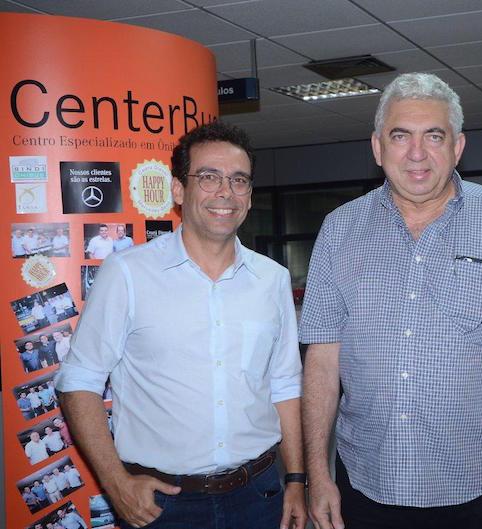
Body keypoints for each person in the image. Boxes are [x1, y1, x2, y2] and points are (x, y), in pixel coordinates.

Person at [300, 72, 482, 529]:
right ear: (377, 147)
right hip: (366, 481)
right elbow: (322, 361)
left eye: (433, 136)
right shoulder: (339, 230)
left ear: (457, 147)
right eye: (400, 136)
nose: (416, 153)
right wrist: (317, 475)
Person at [56, 120, 306, 529]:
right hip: (161, 504)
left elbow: (284, 384)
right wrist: (115, 482)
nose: (225, 192)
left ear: (249, 195)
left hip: (259, 496)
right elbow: (79, 380)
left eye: (239, 180)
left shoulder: (272, 279)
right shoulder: (128, 273)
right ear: (177, 189)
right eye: (209, 177)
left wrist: (296, 479)